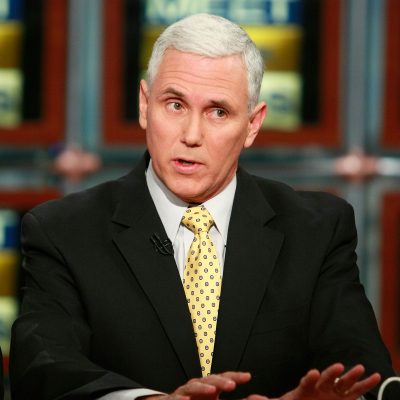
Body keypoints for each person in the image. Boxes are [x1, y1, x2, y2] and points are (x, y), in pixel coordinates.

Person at [9, 13, 399, 400]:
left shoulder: (315, 230)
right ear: (145, 105)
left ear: (253, 125)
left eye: (218, 112)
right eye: (175, 105)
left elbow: (367, 377)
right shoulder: (64, 231)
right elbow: (43, 371)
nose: (191, 135)